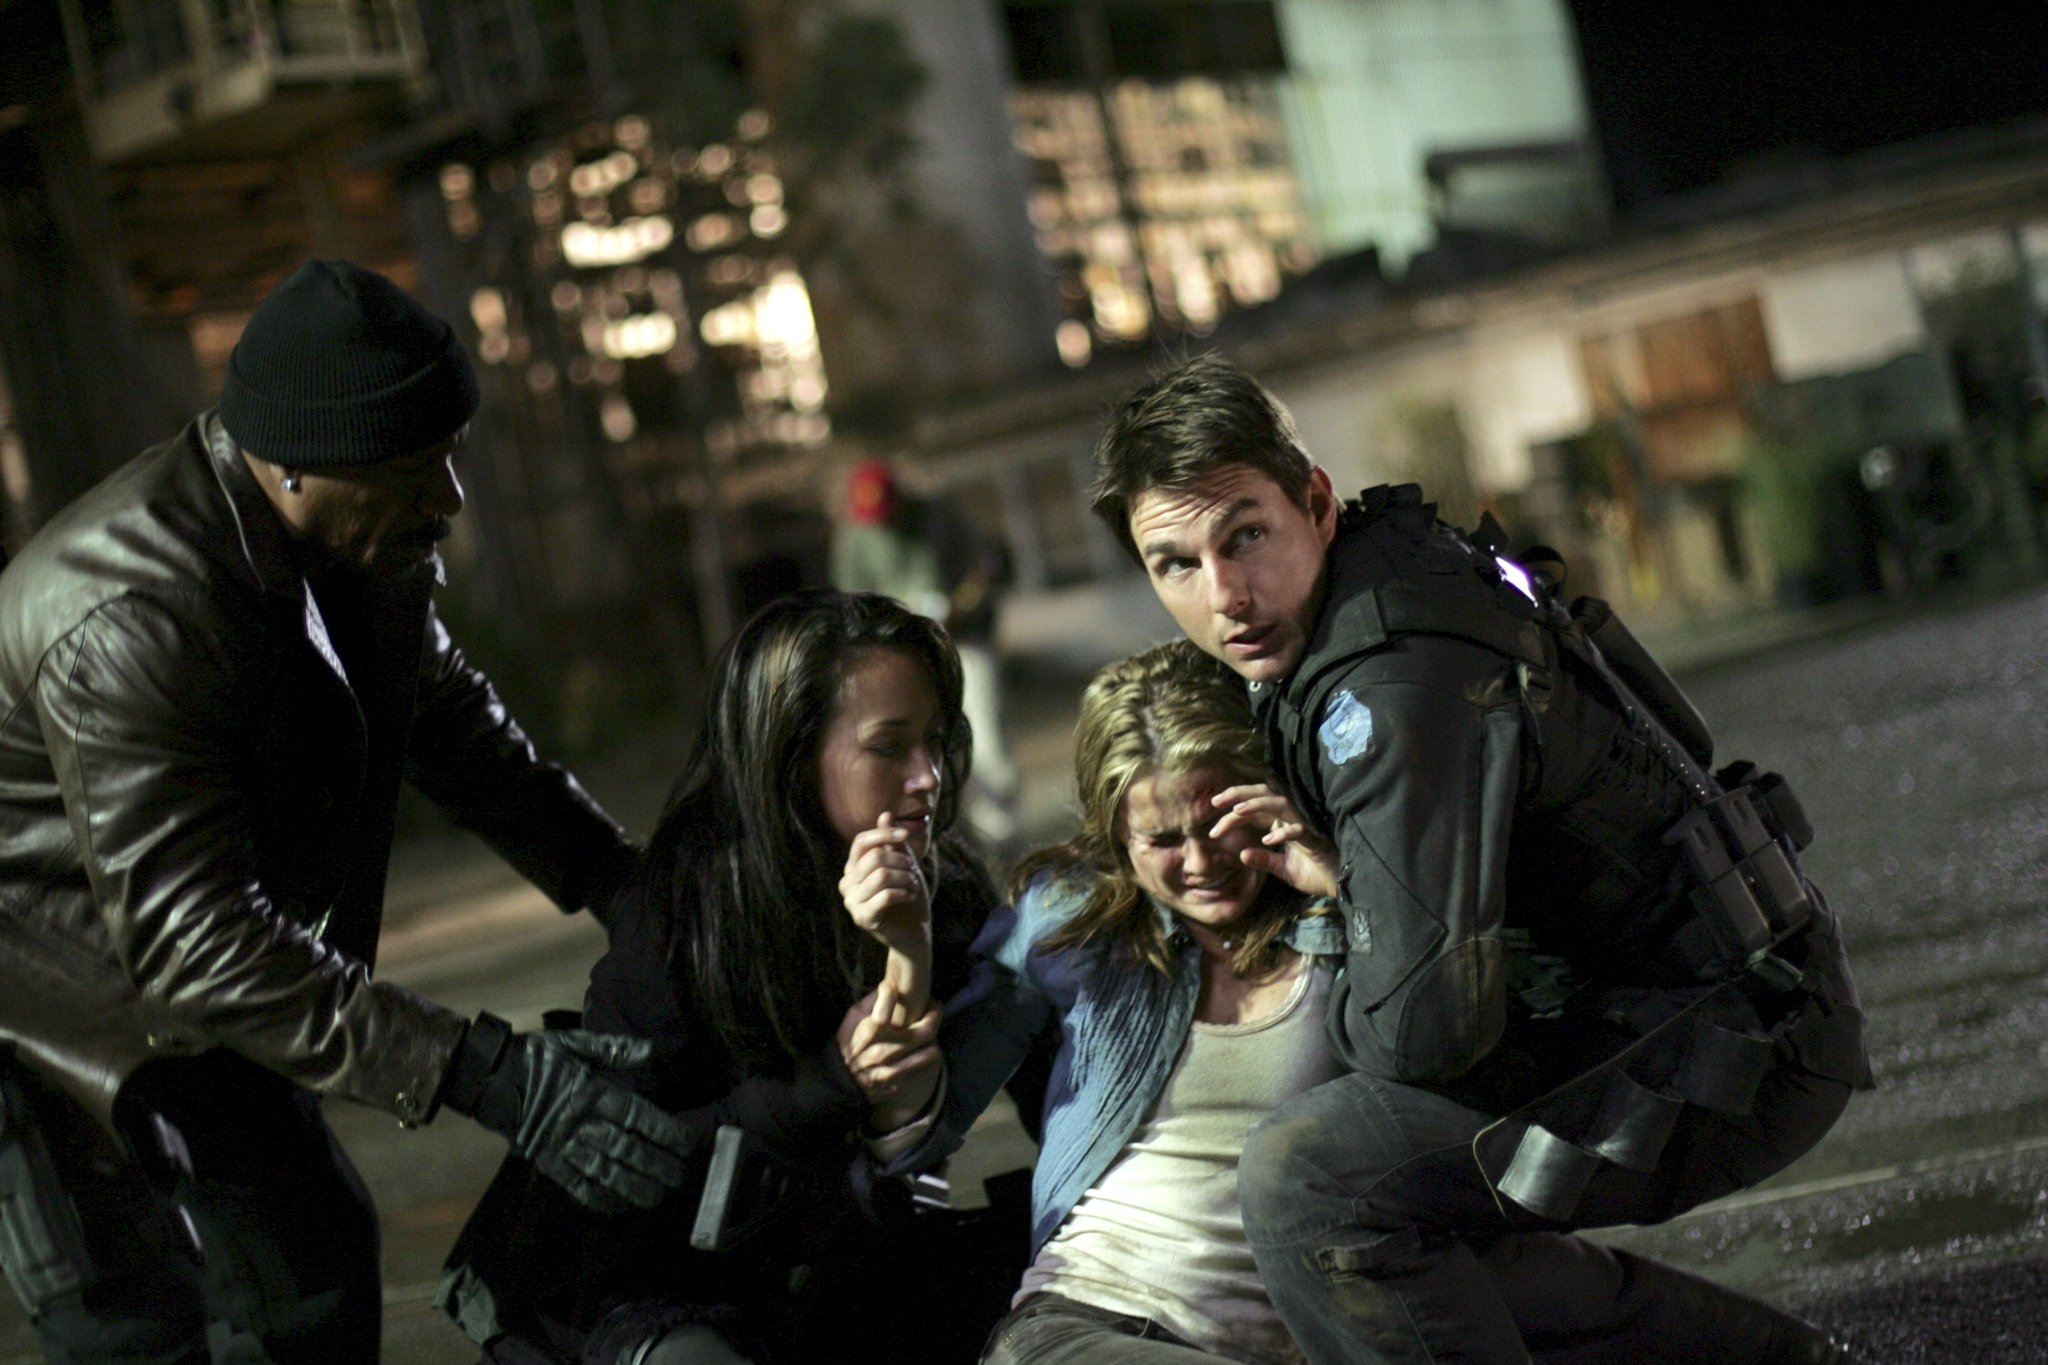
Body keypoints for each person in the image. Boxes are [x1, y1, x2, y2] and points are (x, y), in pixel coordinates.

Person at [1086, 354, 1874, 1365]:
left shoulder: (1385, 689)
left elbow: (1424, 1035)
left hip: (1722, 1051)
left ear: (1314, 504)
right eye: (1176, 564)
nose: (1226, 595)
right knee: (1381, 1176)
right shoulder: (1382, 574)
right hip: (1701, 1000)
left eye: (1245, 535)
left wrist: (1338, 900)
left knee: (1313, 1179)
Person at [0, 259, 702, 1365]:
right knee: (130, 1320)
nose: (450, 500)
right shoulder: (132, 616)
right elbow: (190, 942)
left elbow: (464, 742)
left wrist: (633, 894)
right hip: (32, 995)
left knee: (312, 1274)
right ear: (287, 470)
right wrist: (492, 1075)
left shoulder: (361, 537)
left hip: (198, 951)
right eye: (414, 470)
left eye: (450, 457)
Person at [441, 589, 1010, 1365]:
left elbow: (913, 1144)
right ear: (793, 751)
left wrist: (908, 950)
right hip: (646, 1279)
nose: (927, 775)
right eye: (889, 746)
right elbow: (625, 1159)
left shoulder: (949, 887)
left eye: (937, 741)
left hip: (827, 1261)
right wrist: (822, 1086)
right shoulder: (690, 902)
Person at [886, 639, 1345, 1365]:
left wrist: (1351, 888)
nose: (1201, 862)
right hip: (1087, 1322)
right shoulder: (1072, 921)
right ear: (1115, 835)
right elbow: (918, 1127)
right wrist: (904, 955)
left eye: (1220, 820)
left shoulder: (1338, 920)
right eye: (1162, 838)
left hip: (1295, 1332)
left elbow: (1461, 1049)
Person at [831, 457, 1020, 852]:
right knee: (922, 753)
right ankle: (951, 846)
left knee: (987, 740)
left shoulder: (938, 515)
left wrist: (958, 606)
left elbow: (984, 567)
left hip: (964, 640)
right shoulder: (854, 538)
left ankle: (1005, 841)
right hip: (902, 656)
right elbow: (850, 606)